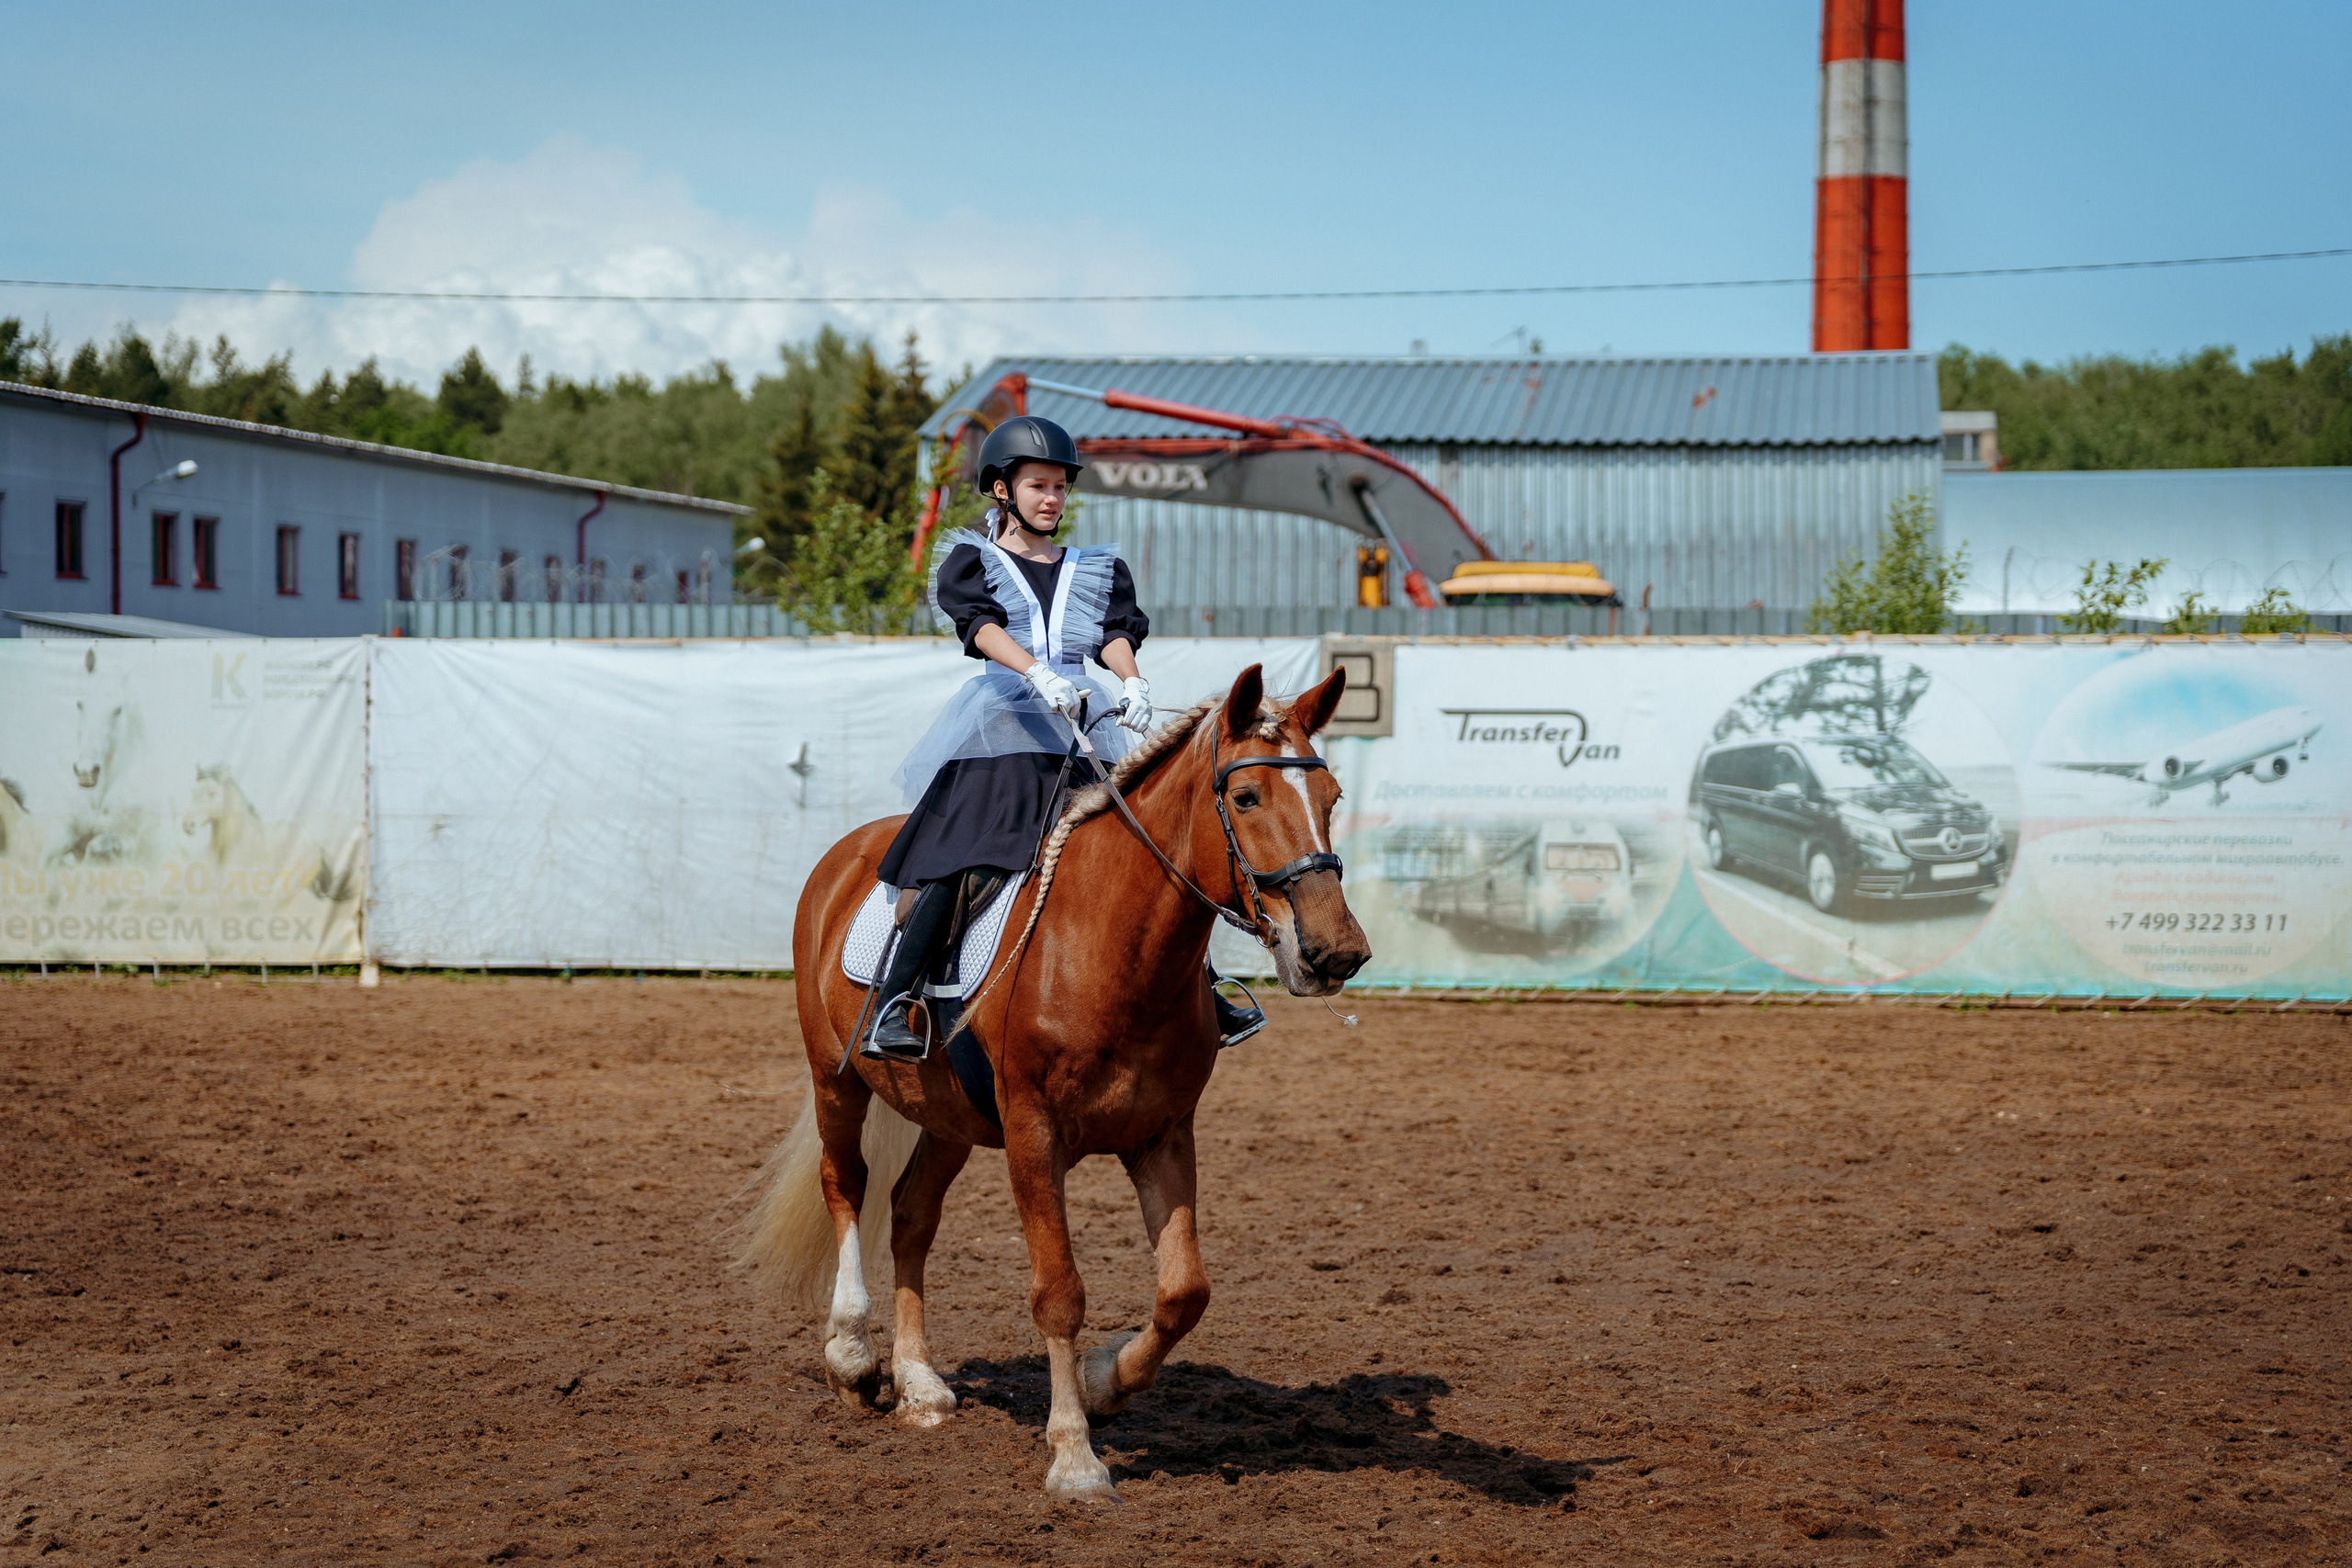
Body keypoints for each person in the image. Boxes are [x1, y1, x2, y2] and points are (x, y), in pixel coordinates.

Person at [865, 413, 1266, 1059]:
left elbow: (1112, 633)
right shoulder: (974, 559)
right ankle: (895, 999)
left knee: (1148, 850)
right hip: (1003, 727)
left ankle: (1208, 990)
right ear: (1002, 490)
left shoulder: (1094, 567)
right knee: (964, 851)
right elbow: (980, 626)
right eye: (1038, 485)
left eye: (1059, 486)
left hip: (1080, 732)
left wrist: (1132, 681)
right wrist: (1034, 671)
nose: (1052, 498)